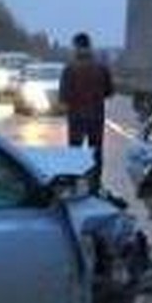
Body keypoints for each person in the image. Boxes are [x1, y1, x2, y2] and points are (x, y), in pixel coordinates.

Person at [59, 31, 114, 190]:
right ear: (89, 46)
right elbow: (109, 92)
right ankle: (95, 184)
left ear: (76, 47)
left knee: (75, 151)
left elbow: (64, 97)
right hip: (96, 116)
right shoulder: (101, 67)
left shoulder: (69, 69)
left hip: (76, 117)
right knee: (96, 152)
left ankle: (74, 183)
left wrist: (72, 101)